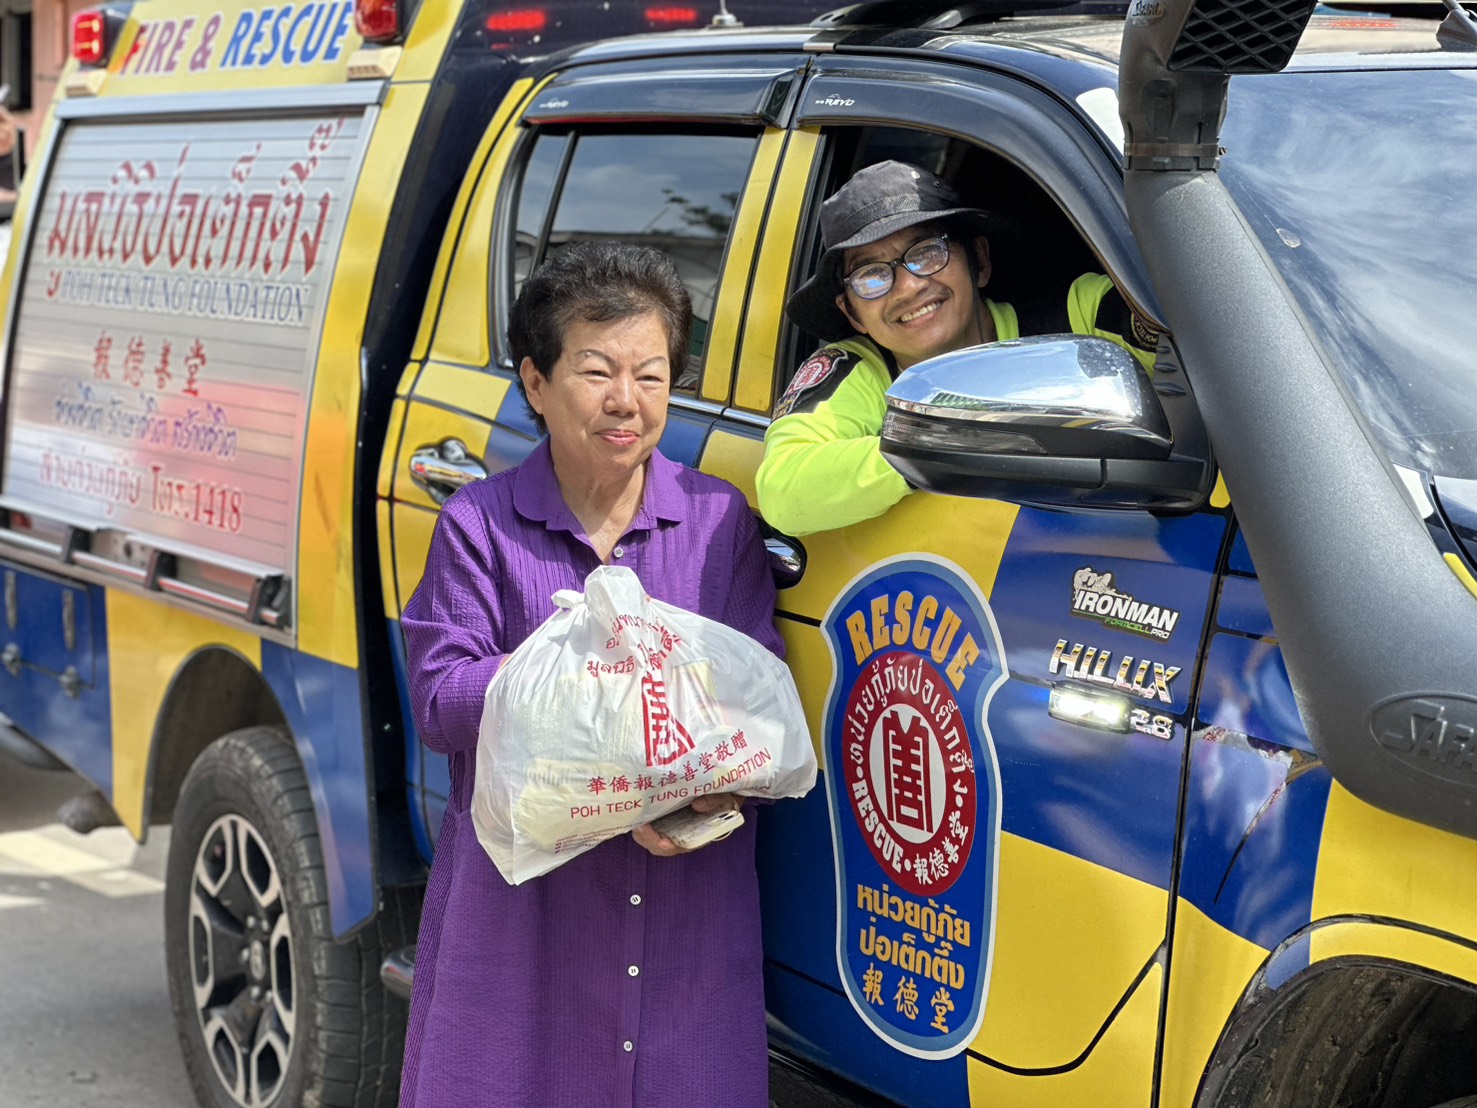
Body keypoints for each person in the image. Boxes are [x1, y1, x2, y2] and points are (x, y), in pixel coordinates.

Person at [398, 240, 782, 1108]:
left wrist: (709, 796)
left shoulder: (717, 522)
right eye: (597, 371)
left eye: (650, 376)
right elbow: (439, 700)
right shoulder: (479, 525)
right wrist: (572, 681)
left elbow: (758, 710)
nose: (625, 401)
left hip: (685, 909)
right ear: (536, 383)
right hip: (528, 916)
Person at [755, 159, 1159, 537]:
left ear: (978, 260)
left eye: (927, 252)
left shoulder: (1078, 314)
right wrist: (941, 439)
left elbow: (1177, 340)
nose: (908, 287)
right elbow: (783, 489)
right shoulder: (857, 370)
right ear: (853, 314)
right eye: (871, 274)